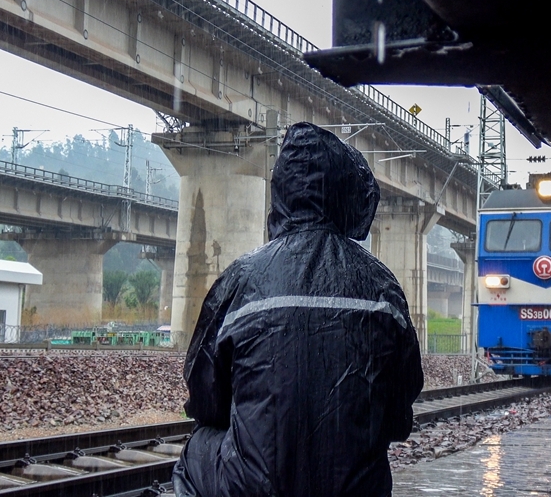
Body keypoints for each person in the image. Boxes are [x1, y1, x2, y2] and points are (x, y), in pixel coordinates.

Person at [173, 122, 424, 497]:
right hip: (355, 489)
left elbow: (205, 398)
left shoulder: (242, 278)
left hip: (256, 488)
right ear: (347, 195)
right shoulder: (382, 286)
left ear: (281, 194)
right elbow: (399, 415)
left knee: (196, 449)